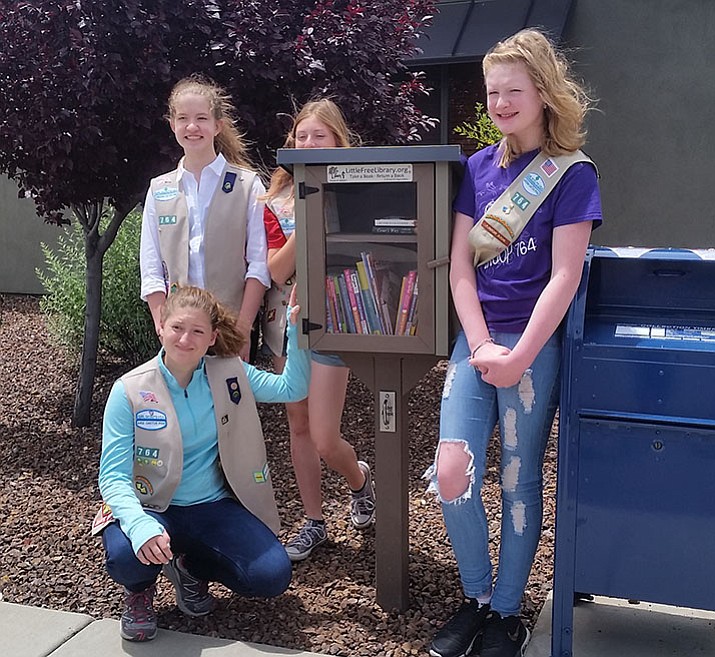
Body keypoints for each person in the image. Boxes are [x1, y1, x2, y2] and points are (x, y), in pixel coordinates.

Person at [426, 29, 602, 657]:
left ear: (544, 93)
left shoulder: (572, 175)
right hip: (475, 345)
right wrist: (479, 346)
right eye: (492, 91)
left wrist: (521, 353)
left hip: (534, 345)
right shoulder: (477, 169)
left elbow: (565, 274)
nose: (500, 103)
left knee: (519, 480)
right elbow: (460, 268)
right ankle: (475, 597)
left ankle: (506, 612)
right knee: (452, 470)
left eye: (513, 91)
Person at [94, 285, 310, 642]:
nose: (185, 338)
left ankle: (189, 567)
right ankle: (139, 591)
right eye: (177, 327)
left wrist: (295, 330)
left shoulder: (230, 373)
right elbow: (113, 476)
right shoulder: (129, 389)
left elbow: (292, 389)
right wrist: (138, 526)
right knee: (125, 555)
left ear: (212, 337)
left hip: (212, 506)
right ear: (160, 327)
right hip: (151, 507)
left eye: (197, 331)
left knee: (271, 576)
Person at [261, 99, 376, 562]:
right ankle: (313, 521)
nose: (309, 144)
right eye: (302, 136)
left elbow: (366, 254)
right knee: (298, 422)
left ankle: (360, 481)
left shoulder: (353, 191)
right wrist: (306, 217)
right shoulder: (275, 200)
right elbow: (275, 271)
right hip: (287, 325)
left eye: (319, 136)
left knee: (327, 437)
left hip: (334, 321)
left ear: (338, 141)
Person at [140, 75, 270, 361]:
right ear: (172, 125)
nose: (192, 126)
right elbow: (151, 269)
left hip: (229, 330)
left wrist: (243, 330)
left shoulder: (247, 185)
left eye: (201, 118)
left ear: (217, 125)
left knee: (227, 405)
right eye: (183, 118)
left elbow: (259, 265)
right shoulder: (158, 189)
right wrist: (163, 327)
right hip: (179, 334)